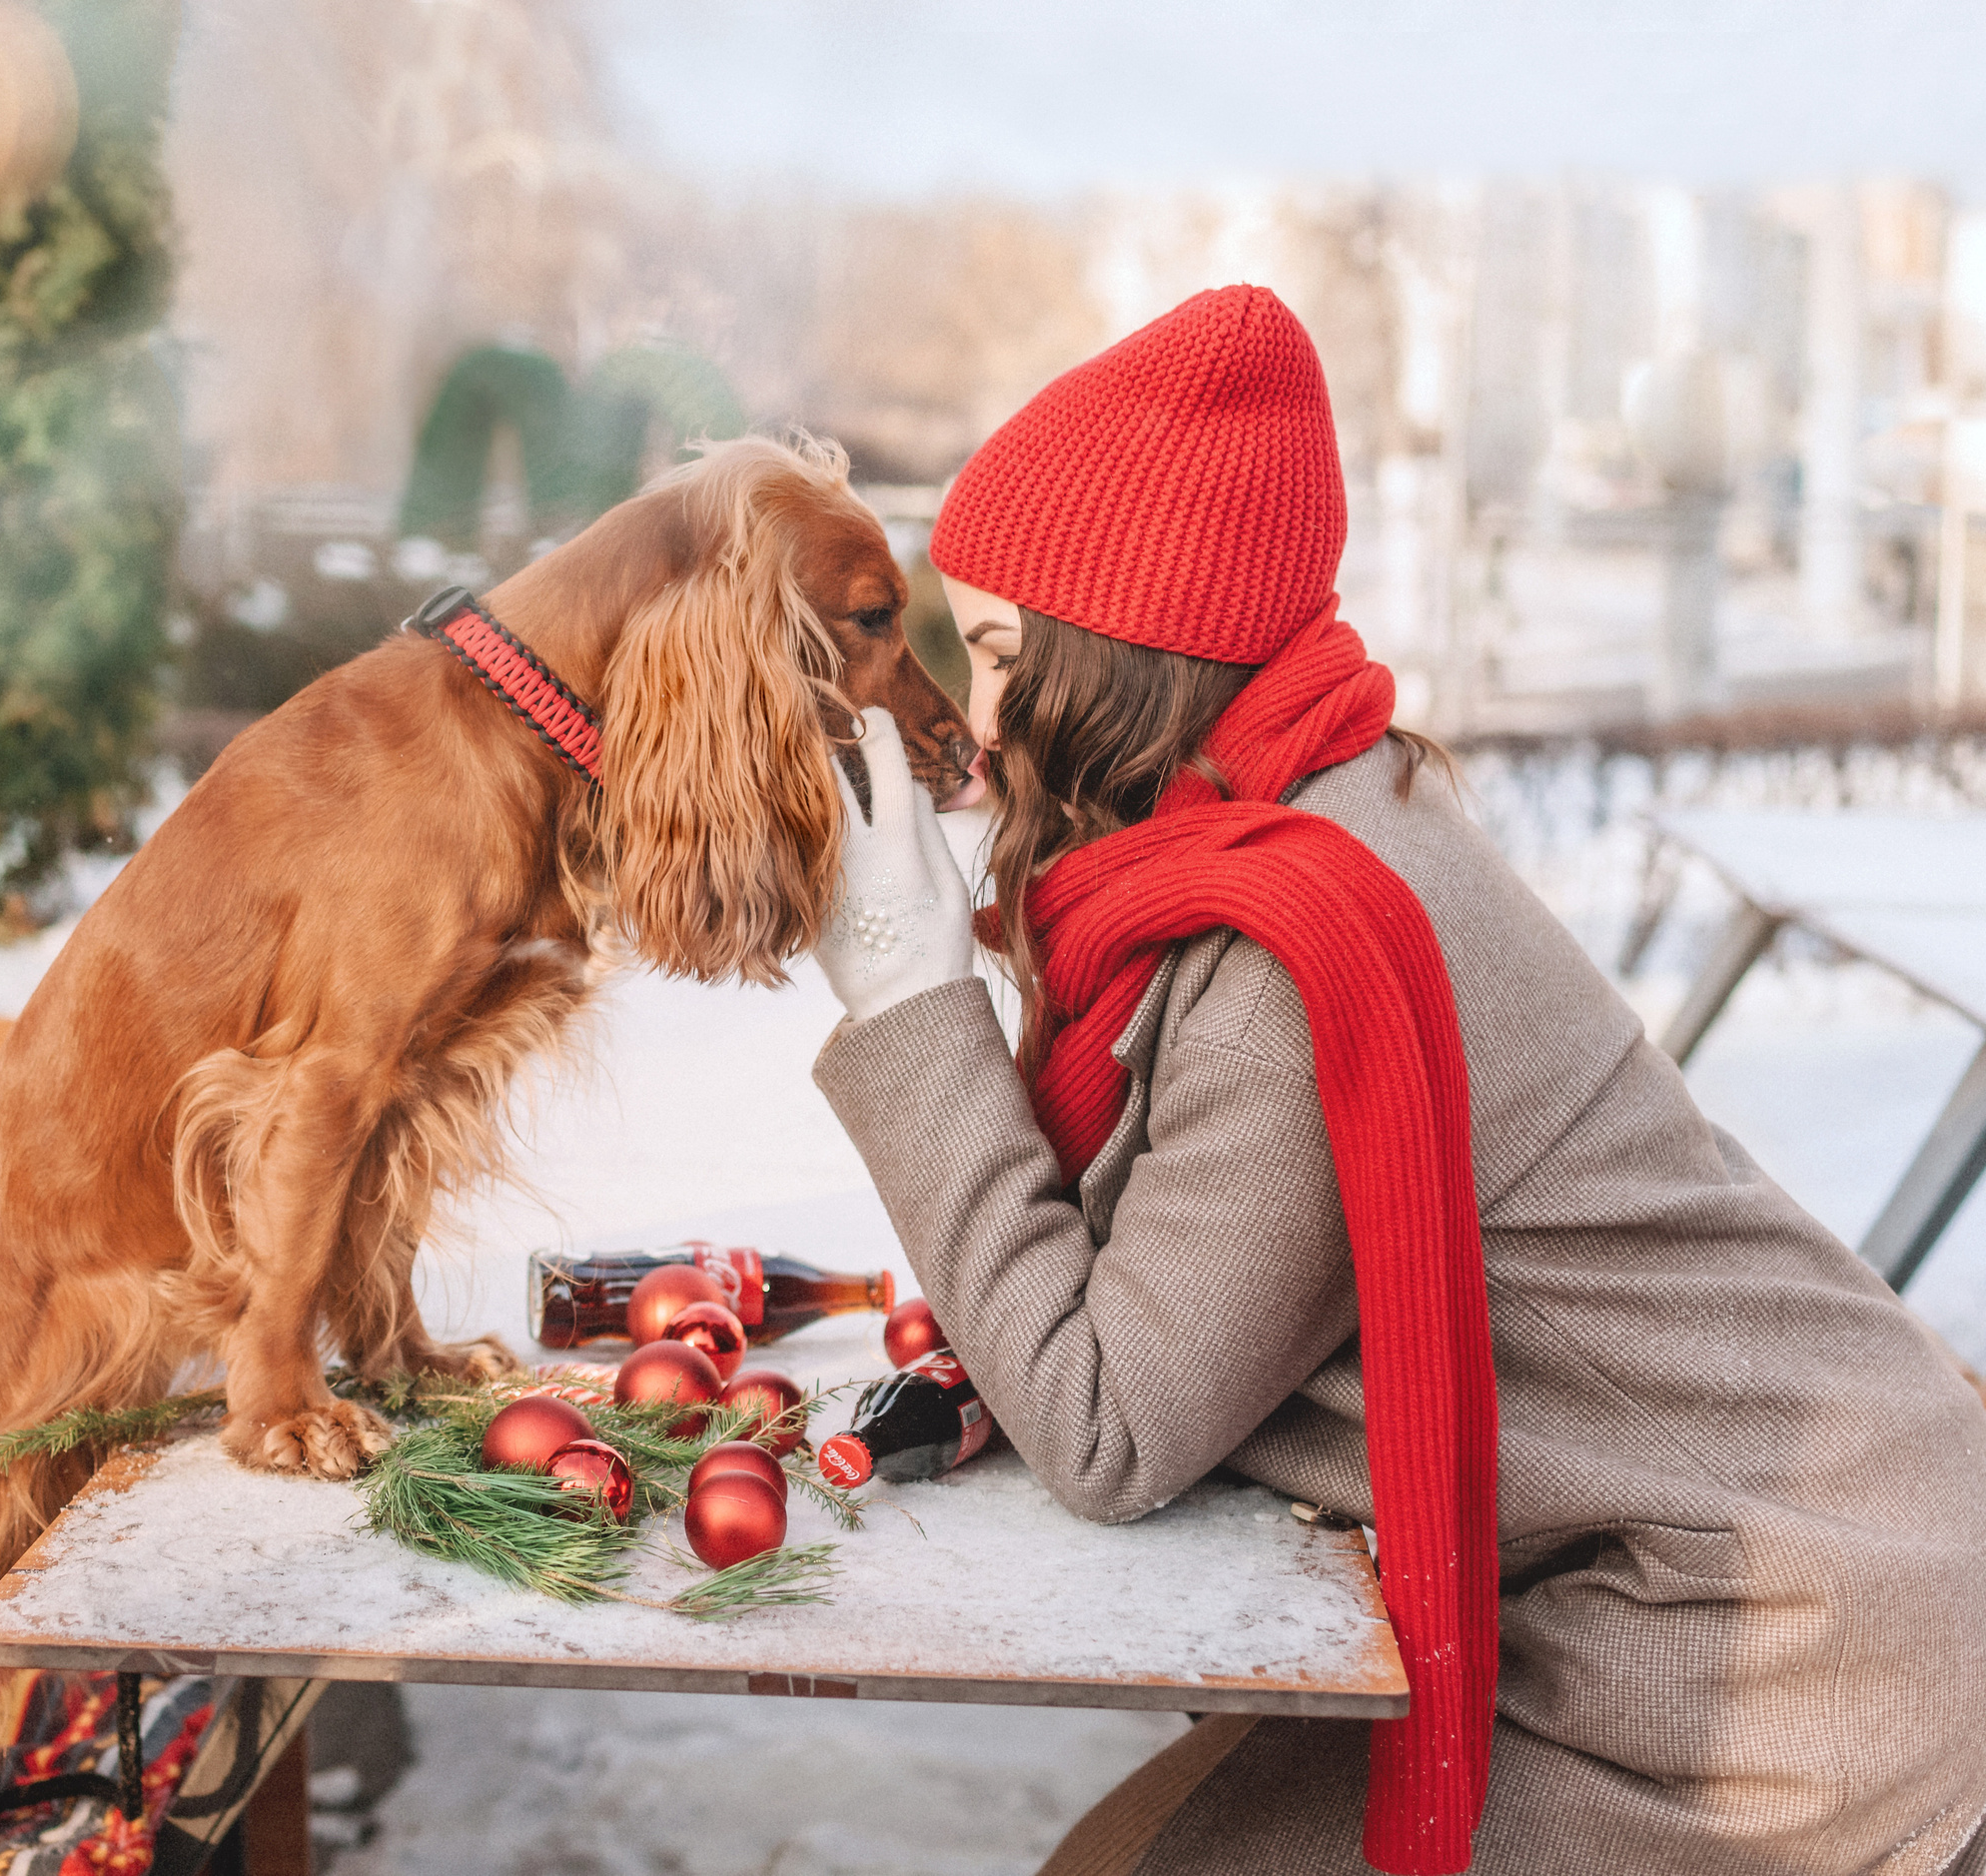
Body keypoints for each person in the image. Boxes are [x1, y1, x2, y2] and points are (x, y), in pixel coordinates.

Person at [805, 284, 1986, 1876]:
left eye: (1008, 654)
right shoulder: (1303, 816)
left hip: (1774, 1638)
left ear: (1131, 652)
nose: (988, 721)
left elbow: (1108, 1420)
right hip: (1750, 1545)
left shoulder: (1304, 949)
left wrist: (908, 998)